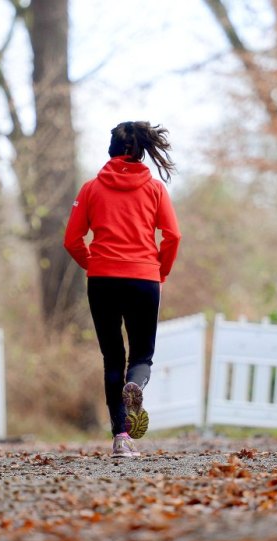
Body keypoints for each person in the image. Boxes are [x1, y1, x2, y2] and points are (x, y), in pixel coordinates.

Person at [64, 121, 181, 457]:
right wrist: (161, 272)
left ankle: (121, 438)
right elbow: (173, 236)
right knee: (141, 355)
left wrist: (93, 264)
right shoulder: (155, 190)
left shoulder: (90, 189)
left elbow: (72, 240)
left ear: (111, 150)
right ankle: (137, 385)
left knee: (112, 357)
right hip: (144, 279)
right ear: (142, 151)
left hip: (102, 281)